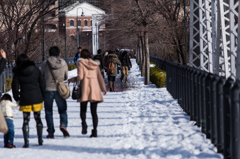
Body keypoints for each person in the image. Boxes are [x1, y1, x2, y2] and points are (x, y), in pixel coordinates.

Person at [68, 49, 107, 138]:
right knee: (94, 112)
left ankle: (84, 124)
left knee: (83, 109)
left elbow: (80, 77)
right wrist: (103, 88)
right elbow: (99, 77)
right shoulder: (95, 64)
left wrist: (71, 79)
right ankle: (95, 131)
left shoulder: (80, 63)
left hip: (85, 88)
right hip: (95, 89)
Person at [12, 54, 45, 148]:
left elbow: (14, 86)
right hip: (36, 97)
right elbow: (42, 83)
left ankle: (26, 142)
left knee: (26, 120)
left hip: (25, 98)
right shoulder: (36, 70)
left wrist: (17, 98)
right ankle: (40, 140)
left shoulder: (18, 72)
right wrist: (42, 96)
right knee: (38, 118)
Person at [41, 46, 69, 138]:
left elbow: (42, 76)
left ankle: (50, 132)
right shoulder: (63, 63)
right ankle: (63, 125)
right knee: (62, 110)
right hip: (60, 90)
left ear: (49, 54)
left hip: (48, 89)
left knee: (48, 112)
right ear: (59, 54)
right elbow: (65, 76)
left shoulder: (45, 63)